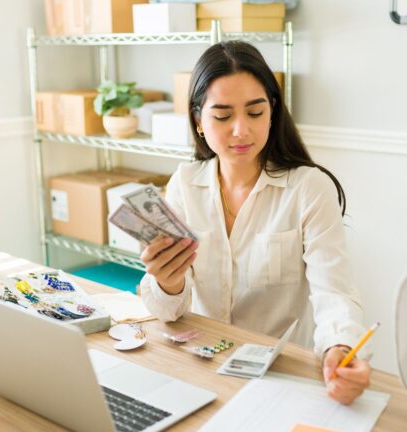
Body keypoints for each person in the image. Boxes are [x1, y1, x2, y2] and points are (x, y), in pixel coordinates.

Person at [139, 41, 371, 405]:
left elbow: (334, 292)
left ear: (272, 112)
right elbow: (167, 313)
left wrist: (339, 347)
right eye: (222, 116)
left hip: (279, 377)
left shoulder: (309, 188)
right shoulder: (184, 183)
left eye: (254, 112)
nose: (241, 131)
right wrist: (167, 283)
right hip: (201, 368)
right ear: (199, 121)